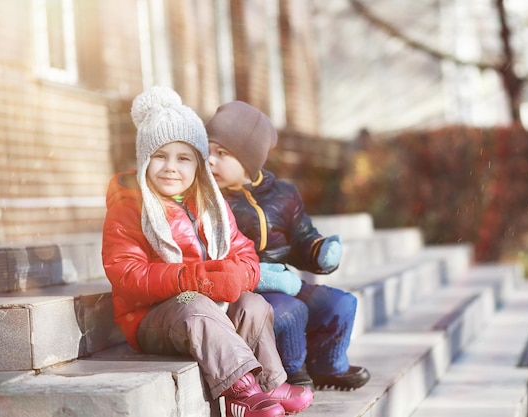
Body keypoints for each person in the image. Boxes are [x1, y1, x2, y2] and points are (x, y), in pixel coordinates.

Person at [101, 87, 313, 417]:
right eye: (160, 156)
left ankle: (270, 384)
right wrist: (196, 279)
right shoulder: (129, 207)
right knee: (195, 303)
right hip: (152, 316)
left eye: (183, 158)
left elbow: (244, 252)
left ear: (199, 164)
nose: (171, 167)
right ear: (144, 160)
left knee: (253, 303)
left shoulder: (209, 205)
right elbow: (126, 274)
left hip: (207, 307)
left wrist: (237, 275)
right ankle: (240, 394)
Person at [206, 101, 371, 391]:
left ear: (249, 158)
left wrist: (318, 251)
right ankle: (291, 372)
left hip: (286, 280)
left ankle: (328, 366)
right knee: (288, 311)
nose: (210, 161)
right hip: (248, 288)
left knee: (341, 304)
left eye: (221, 153)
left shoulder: (283, 194)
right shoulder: (212, 202)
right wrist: (262, 275)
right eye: (206, 152)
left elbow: (301, 235)